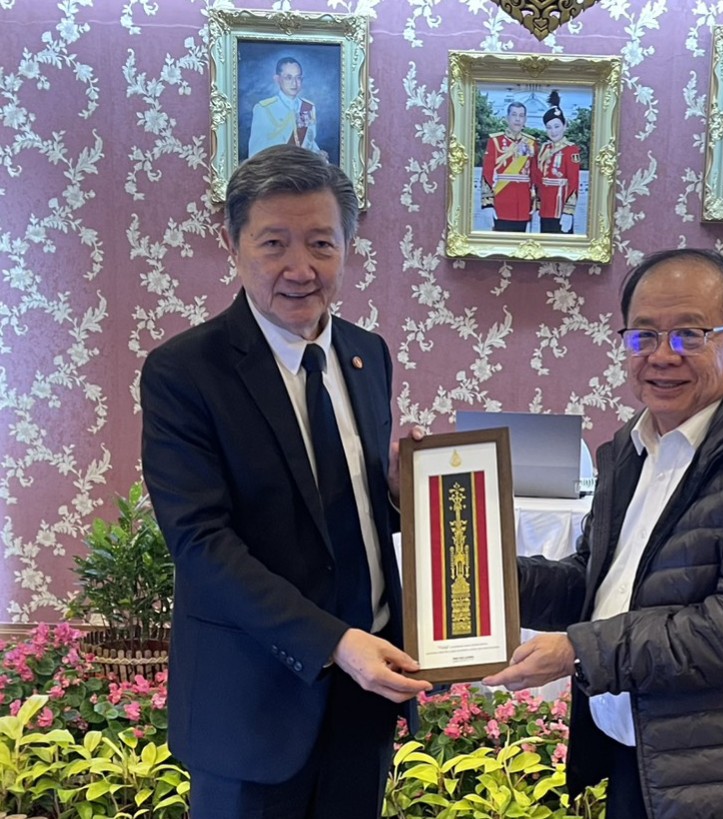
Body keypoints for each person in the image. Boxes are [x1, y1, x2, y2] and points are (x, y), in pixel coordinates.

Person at [484, 248, 723, 819]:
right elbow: (596, 585)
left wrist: (579, 651)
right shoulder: (630, 448)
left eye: (688, 335)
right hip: (642, 750)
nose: (661, 356)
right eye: (644, 335)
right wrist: (489, 579)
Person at [140, 144, 432, 819]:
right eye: (274, 243)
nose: (301, 268)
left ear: (347, 247)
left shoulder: (367, 354)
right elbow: (201, 543)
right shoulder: (186, 372)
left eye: (322, 243)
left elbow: (345, 513)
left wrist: (395, 494)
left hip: (366, 691)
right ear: (233, 243)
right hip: (253, 701)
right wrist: (333, 642)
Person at [248, 57, 327, 159]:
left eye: (298, 78)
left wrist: (317, 153)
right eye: (288, 78)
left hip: (303, 166)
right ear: (277, 79)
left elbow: (309, 141)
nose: (294, 83)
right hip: (276, 166)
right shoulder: (264, 109)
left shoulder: (308, 107)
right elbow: (255, 153)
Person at [479, 101, 536, 232]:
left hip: (523, 206)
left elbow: (534, 176)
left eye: (521, 115)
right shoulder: (495, 141)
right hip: (501, 203)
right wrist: (487, 205)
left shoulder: (531, 143)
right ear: (507, 118)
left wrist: (535, 204)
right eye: (514, 115)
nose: (517, 119)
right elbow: (487, 174)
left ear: (525, 119)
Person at [533, 90, 580, 234]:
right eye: (549, 127)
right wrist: (537, 205)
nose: (553, 131)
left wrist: (568, 212)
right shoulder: (543, 148)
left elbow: (573, 182)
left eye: (557, 126)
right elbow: (538, 178)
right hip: (545, 208)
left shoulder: (571, 150)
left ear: (565, 126)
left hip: (561, 207)